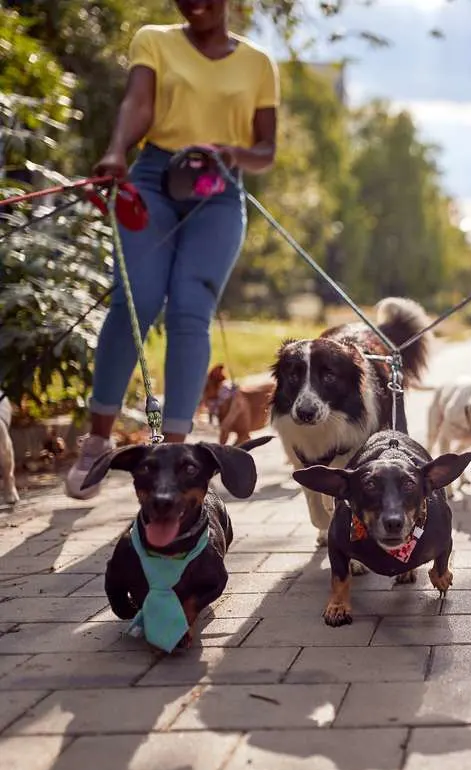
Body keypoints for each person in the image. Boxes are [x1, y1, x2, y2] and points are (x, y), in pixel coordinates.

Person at [64, 0, 278, 500]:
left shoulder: (258, 64)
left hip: (219, 187)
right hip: (154, 179)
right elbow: (138, 105)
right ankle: (97, 441)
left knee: (189, 310)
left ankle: (176, 458)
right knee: (134, 298)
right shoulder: (154, 39)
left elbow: (266, 148)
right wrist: (117, 149)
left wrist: (232, 153)